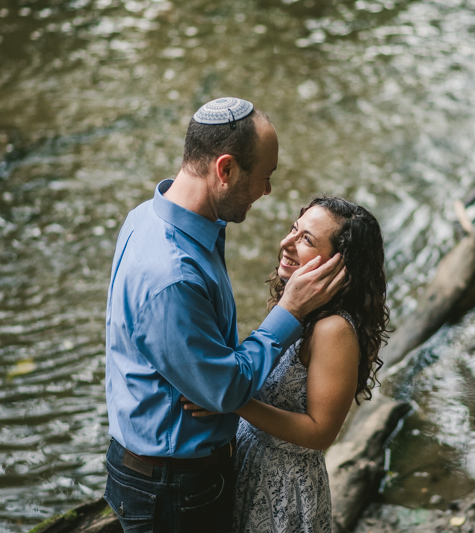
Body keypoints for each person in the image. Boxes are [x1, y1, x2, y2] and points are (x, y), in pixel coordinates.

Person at [102, 97, 346, 533]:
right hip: (173, 488)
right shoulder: (173, 274)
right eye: (263, 178)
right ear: (226, 169)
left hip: (165, 474)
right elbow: (224, 390)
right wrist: (288, 312)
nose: (266, 192)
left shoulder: (147, 218)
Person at [184, 196, 390, 532]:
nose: (286, 243)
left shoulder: (332, 329)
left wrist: (232, 401)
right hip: (252, 467)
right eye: (294, 230)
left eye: (306, 240)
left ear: (340, 265)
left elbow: (321, 431)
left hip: (285, 488)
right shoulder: (298, 306)